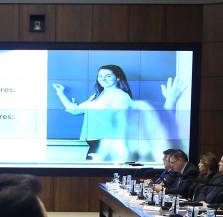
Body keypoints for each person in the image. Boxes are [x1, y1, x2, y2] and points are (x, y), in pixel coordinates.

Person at [52, 65, 188, 161]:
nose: (102, 78)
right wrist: (60, 94)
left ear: (117, 78)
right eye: (100, 76)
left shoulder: (121, 96)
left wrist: (171, 101)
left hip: (104, 143)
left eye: (107, 76)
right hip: (90, 144)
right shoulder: (96, 96)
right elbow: (74, 110)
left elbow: (130, 121)